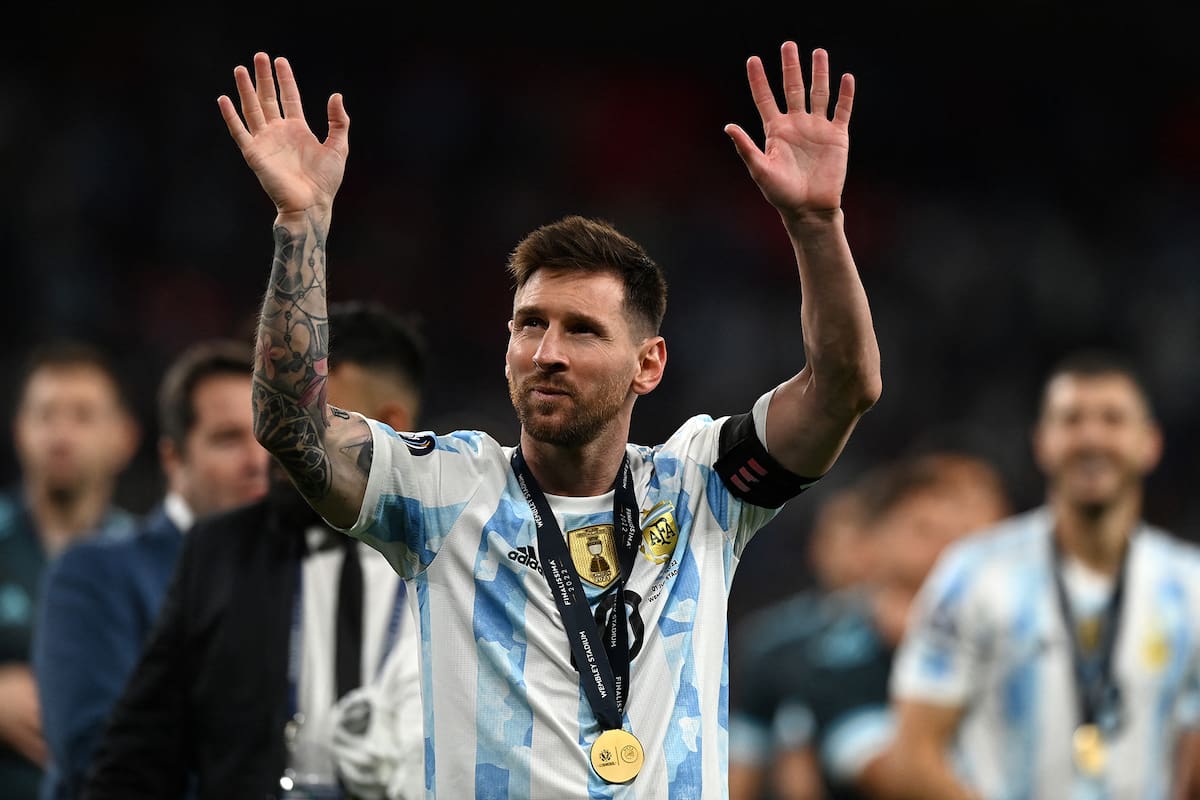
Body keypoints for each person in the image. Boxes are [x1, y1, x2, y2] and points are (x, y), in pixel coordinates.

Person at [215, 39, 880, 798]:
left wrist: (817, 225)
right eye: (530, 324)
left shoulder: (705, 485)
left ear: (649, 364)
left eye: (583, 329)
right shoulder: (439, 489)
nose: (547, 353)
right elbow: (289, 426)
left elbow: (844, 388)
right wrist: (301, 222)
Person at [84, 301, 427, 800]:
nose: (277, 441)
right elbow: (136, 758)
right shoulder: (220, 551)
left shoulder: (461, 555)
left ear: (389, 422)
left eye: (306, 415)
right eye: (273, 411)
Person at [885, 350, 1200, 800]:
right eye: (1071, 420)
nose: (1091, 437)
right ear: (1042, 443)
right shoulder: (972, 574)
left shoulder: (1190, 586)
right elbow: (913, 755)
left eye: (1112, 419)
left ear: (1150, 444)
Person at [32, 339, 272, 800]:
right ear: (173, 460)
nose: (257, 462)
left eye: (268, 438)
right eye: (228, 439)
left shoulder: (294, 576)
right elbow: (96, 761)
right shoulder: (92, 575)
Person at [728, 451, 1011, 800]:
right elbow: (900, 777)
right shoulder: (831, 654)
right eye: (924, 529)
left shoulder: (1012, 635)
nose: (946, 546)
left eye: (959, 531)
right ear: (875, 541)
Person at [0, 340, 140, 799]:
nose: (61, 435)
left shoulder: (152, 559)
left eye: (82, 415)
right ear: (20, 430)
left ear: (124, 437)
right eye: (45, 415)